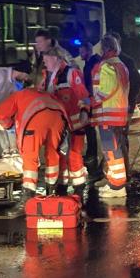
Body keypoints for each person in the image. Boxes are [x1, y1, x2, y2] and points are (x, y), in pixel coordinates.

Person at [0, 88, 71, 216]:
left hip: (34, 119)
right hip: (58, 116)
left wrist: (8, 125)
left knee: (30, 158)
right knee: (53, 154)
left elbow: (0, 113)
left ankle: (27, 201)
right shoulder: (45, 94)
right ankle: (52, 193)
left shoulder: (18, 95)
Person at [39, 47, 91, 193]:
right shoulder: (47, 77)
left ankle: (79, 188)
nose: (44, 63)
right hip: (58, 125)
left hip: (75, 123)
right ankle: (61, 185)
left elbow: (83, 95)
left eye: (46, 60)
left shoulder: (70, 73)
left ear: (55, 58)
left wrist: (84, 112)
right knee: (58, 154)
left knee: (74, 154)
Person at [91, 35, 130, 198]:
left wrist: (90, 101)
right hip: (118, 114)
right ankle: (114, 181)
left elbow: (105, 91)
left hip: (108, 115)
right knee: (114, 149)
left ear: (104, 49)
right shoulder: (120, 64)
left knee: (111, 150)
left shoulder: (106, 66)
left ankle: (117, 187)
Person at [107, 32, 140, 176]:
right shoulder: (112, 62)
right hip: (115, 108)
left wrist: (130, 102)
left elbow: (136, 83)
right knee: (114, 141)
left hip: (121, 107)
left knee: (120, 139)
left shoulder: (125, 61)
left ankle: (123, 172)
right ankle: (118, 171)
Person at [80, 41, 103, 182]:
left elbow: (91, 84)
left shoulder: (93, 63)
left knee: (91, 128)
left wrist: (89, 99)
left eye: (82, 51)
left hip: (92, 100)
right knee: (89, 128)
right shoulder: (90, 63)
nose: (80, 54)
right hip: (90, 99)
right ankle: (91, 153)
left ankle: (92, 155)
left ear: (88, 51)